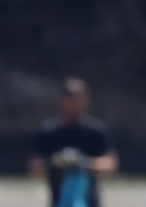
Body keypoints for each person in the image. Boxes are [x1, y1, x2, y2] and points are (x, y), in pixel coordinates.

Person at [29, 78, 118, 207]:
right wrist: (55, 162)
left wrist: (84, 163)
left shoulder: (96, 131)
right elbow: (34, 167)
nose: (73, 105)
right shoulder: (48, 132)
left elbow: (111, 165)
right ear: (60, 100)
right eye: (69, 100)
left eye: (77, 100)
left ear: (86, 100)